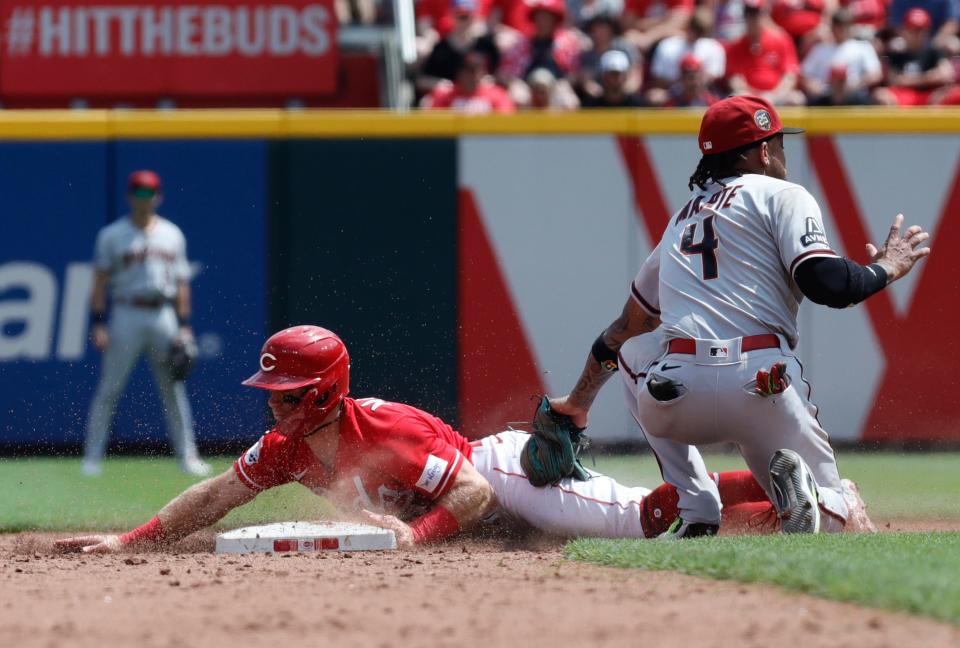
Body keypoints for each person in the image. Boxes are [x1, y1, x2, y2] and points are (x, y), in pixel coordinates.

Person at [55, 325, 850, 554]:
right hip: (478, 500)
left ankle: (789, 499)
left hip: (500, 475)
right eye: (272, 395)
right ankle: (782, 499)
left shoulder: (386, 431)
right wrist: (132, 542)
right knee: (639, 514)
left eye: (287, 395)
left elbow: (467, 493)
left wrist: (415, 533)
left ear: (324, 392)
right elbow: (216, 495)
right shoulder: (290, 448)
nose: (274, 409)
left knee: (641, 519)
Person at [549, 95, 928, 536]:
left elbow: (623, 330)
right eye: (780, 144)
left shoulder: (680, 223)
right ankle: (816, 498)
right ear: (764, 152)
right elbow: (826, 284)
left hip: (676, 392)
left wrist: (577, 403)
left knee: (635, 351)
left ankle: (695, 505)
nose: (784, 154)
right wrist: (884, 269)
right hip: (760, 382)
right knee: (839, 512)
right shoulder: (783, 193)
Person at [83, 171, 209, 478]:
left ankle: (188, 457)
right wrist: (98, 322)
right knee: (110, 387)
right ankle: (92, 458)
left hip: (163, 314)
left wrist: (184, 324)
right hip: (127, 311)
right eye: (139, 192)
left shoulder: (172, 233)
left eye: (149, 192)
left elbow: (181, 284)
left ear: (158, 197)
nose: (144, 198)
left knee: (173, 388)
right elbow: (99, 282)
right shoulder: (112, 235)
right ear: (129, 197)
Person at [724, 0, 806, 105]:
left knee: (796, 99)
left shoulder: (781, 39)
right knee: (737, 95)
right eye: (748, 13)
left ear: (765, 14)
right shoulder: (736, 45)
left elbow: (790, 76)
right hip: (749, 98)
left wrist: (774, 96)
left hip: (778, 96)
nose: (753, 18)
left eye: (757, 13)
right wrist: (756, 97)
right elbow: (735, 80)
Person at [873, 8, 957, 106]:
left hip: (930, 94)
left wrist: (910, 80)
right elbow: (893, 80)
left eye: (921, 30)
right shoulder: (896, 53)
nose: (917, 34)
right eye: (913, 30)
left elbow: (944, 75)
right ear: (903, 30)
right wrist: (928, 78)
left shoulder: (933, 50)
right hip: (905, 95)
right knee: (881, 95)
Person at [801, 9, 883, 105]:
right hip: (825, 94)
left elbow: (876, 74)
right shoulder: (820, 49)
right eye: (838, 26)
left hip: (854, 95)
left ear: (851, 27)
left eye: (845, 26)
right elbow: (803, 74)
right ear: (832, 27)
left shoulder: (863, 47)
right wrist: (813, 85)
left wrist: (857, 84)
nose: (842, 30)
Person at [422, 50, 517, 113]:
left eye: (476, 70)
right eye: (467, 69)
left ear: (484, 72)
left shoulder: (498, 95)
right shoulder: (444, 94)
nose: (471, 75)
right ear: (459, 72)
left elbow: (505, 123)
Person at [582, 50, 648, 107]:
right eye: (611, 74)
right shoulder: (591, 106)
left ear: (625, 76)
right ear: (603, 76)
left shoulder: (637, 105)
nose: (615, 79)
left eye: (618, 74)